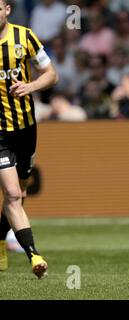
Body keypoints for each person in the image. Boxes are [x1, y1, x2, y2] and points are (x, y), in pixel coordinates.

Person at [0, 0, 59, 278]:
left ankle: (1, 239)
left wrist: (30, 86)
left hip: (26, 127)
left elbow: (51, 75)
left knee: (20, 194)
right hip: (0, 132)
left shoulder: (25, 37)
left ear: (7, 9)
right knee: (11, 194)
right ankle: (34, 255)